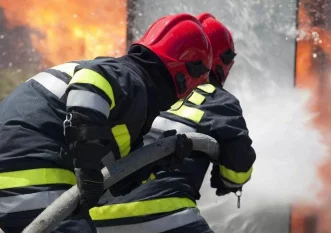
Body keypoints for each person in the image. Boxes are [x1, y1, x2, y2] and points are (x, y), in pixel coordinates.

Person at [0, 13, 213, 233]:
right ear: (185, 75)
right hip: (33, 169)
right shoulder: (130, 78)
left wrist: (157, 162)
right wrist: (86, 166)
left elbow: (109, 185)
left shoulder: (124, 105)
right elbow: (91, 82)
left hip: (18, 171)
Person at [92, 13, 256, 233]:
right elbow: (238, 171)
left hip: (94, 217)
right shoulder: (218, 100)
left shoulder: (142, 89)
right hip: (161, 214)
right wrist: (227, 179)